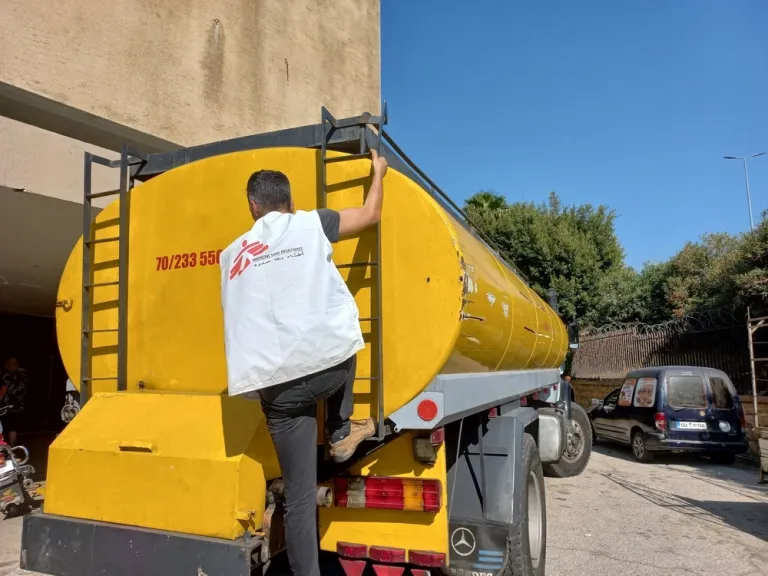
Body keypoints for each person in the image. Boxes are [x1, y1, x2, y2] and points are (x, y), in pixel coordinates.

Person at [219, 150, 388, 576]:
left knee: (297, 497)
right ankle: (340, 430)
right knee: (347, 334)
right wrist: (378, 174)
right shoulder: (312, 222)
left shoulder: (232, 253)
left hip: (276, 390)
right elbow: (369, 215)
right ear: (290, 202)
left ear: (253, 207)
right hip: (327, 372)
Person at [0, 357, 28, 446]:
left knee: (5, 428)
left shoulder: (7, 375)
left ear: (7, 365)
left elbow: (3, 390)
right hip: (19, 405)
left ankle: (4, 448)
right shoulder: (23, 375)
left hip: (6, 407)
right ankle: (11, 447)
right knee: (13, 428)